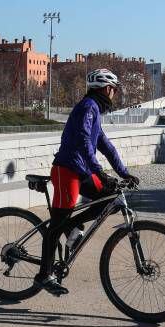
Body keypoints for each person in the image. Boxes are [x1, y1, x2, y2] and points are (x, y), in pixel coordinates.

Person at [34, 68, 140, 296]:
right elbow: (83, 140)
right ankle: (44, 275)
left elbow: (106, 146)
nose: (114, 94)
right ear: (107, 88)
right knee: (56, 226)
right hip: (67, 171)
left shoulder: (95, 111)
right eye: (113, 90)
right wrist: (98, 171)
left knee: (109, 198)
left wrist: (124, 174)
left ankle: (72, 228)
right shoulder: (87, 107)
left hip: (80, 171)